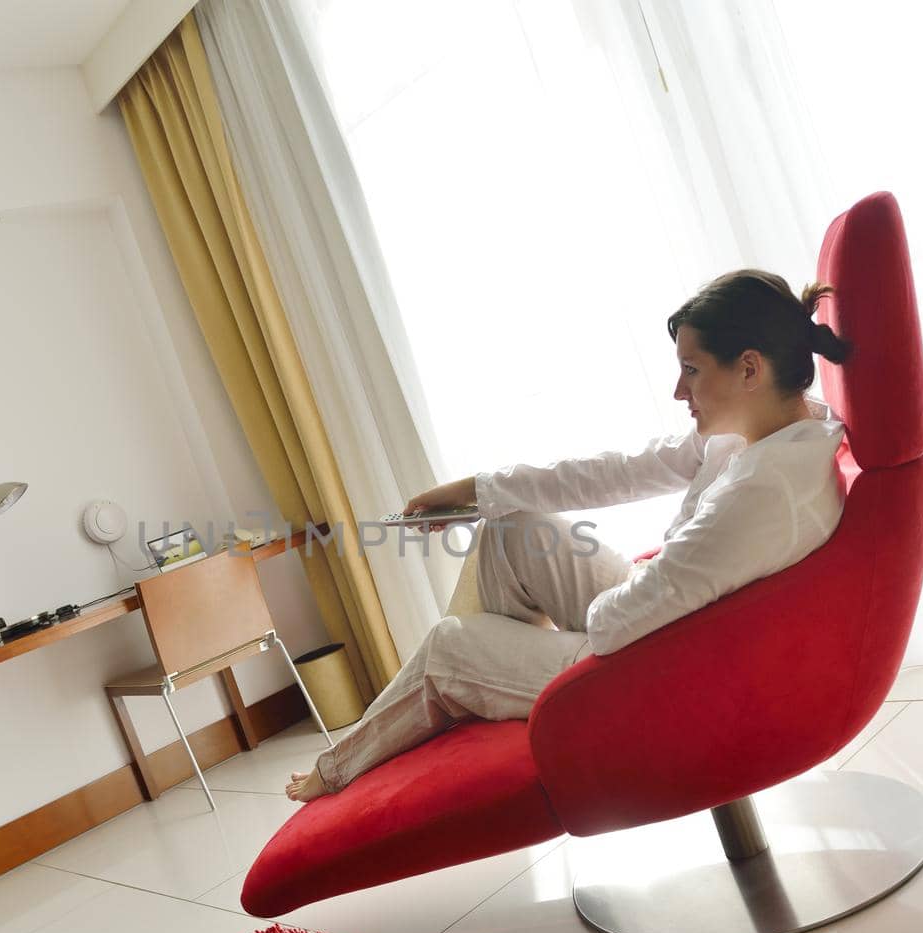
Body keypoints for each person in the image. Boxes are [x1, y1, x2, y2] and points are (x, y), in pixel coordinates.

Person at [287, 269, 853, 802]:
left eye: (693, 369)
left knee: (447, 646)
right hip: (666, 622)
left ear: (750, 368)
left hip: (658, 672)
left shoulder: (762, 489)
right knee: (513, 531)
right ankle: (481, 686)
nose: (680, 391)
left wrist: (584, 604)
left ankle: (353, 756)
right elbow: (619, 472)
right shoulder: (775, 428)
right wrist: (472, 489)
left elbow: (611, 627)